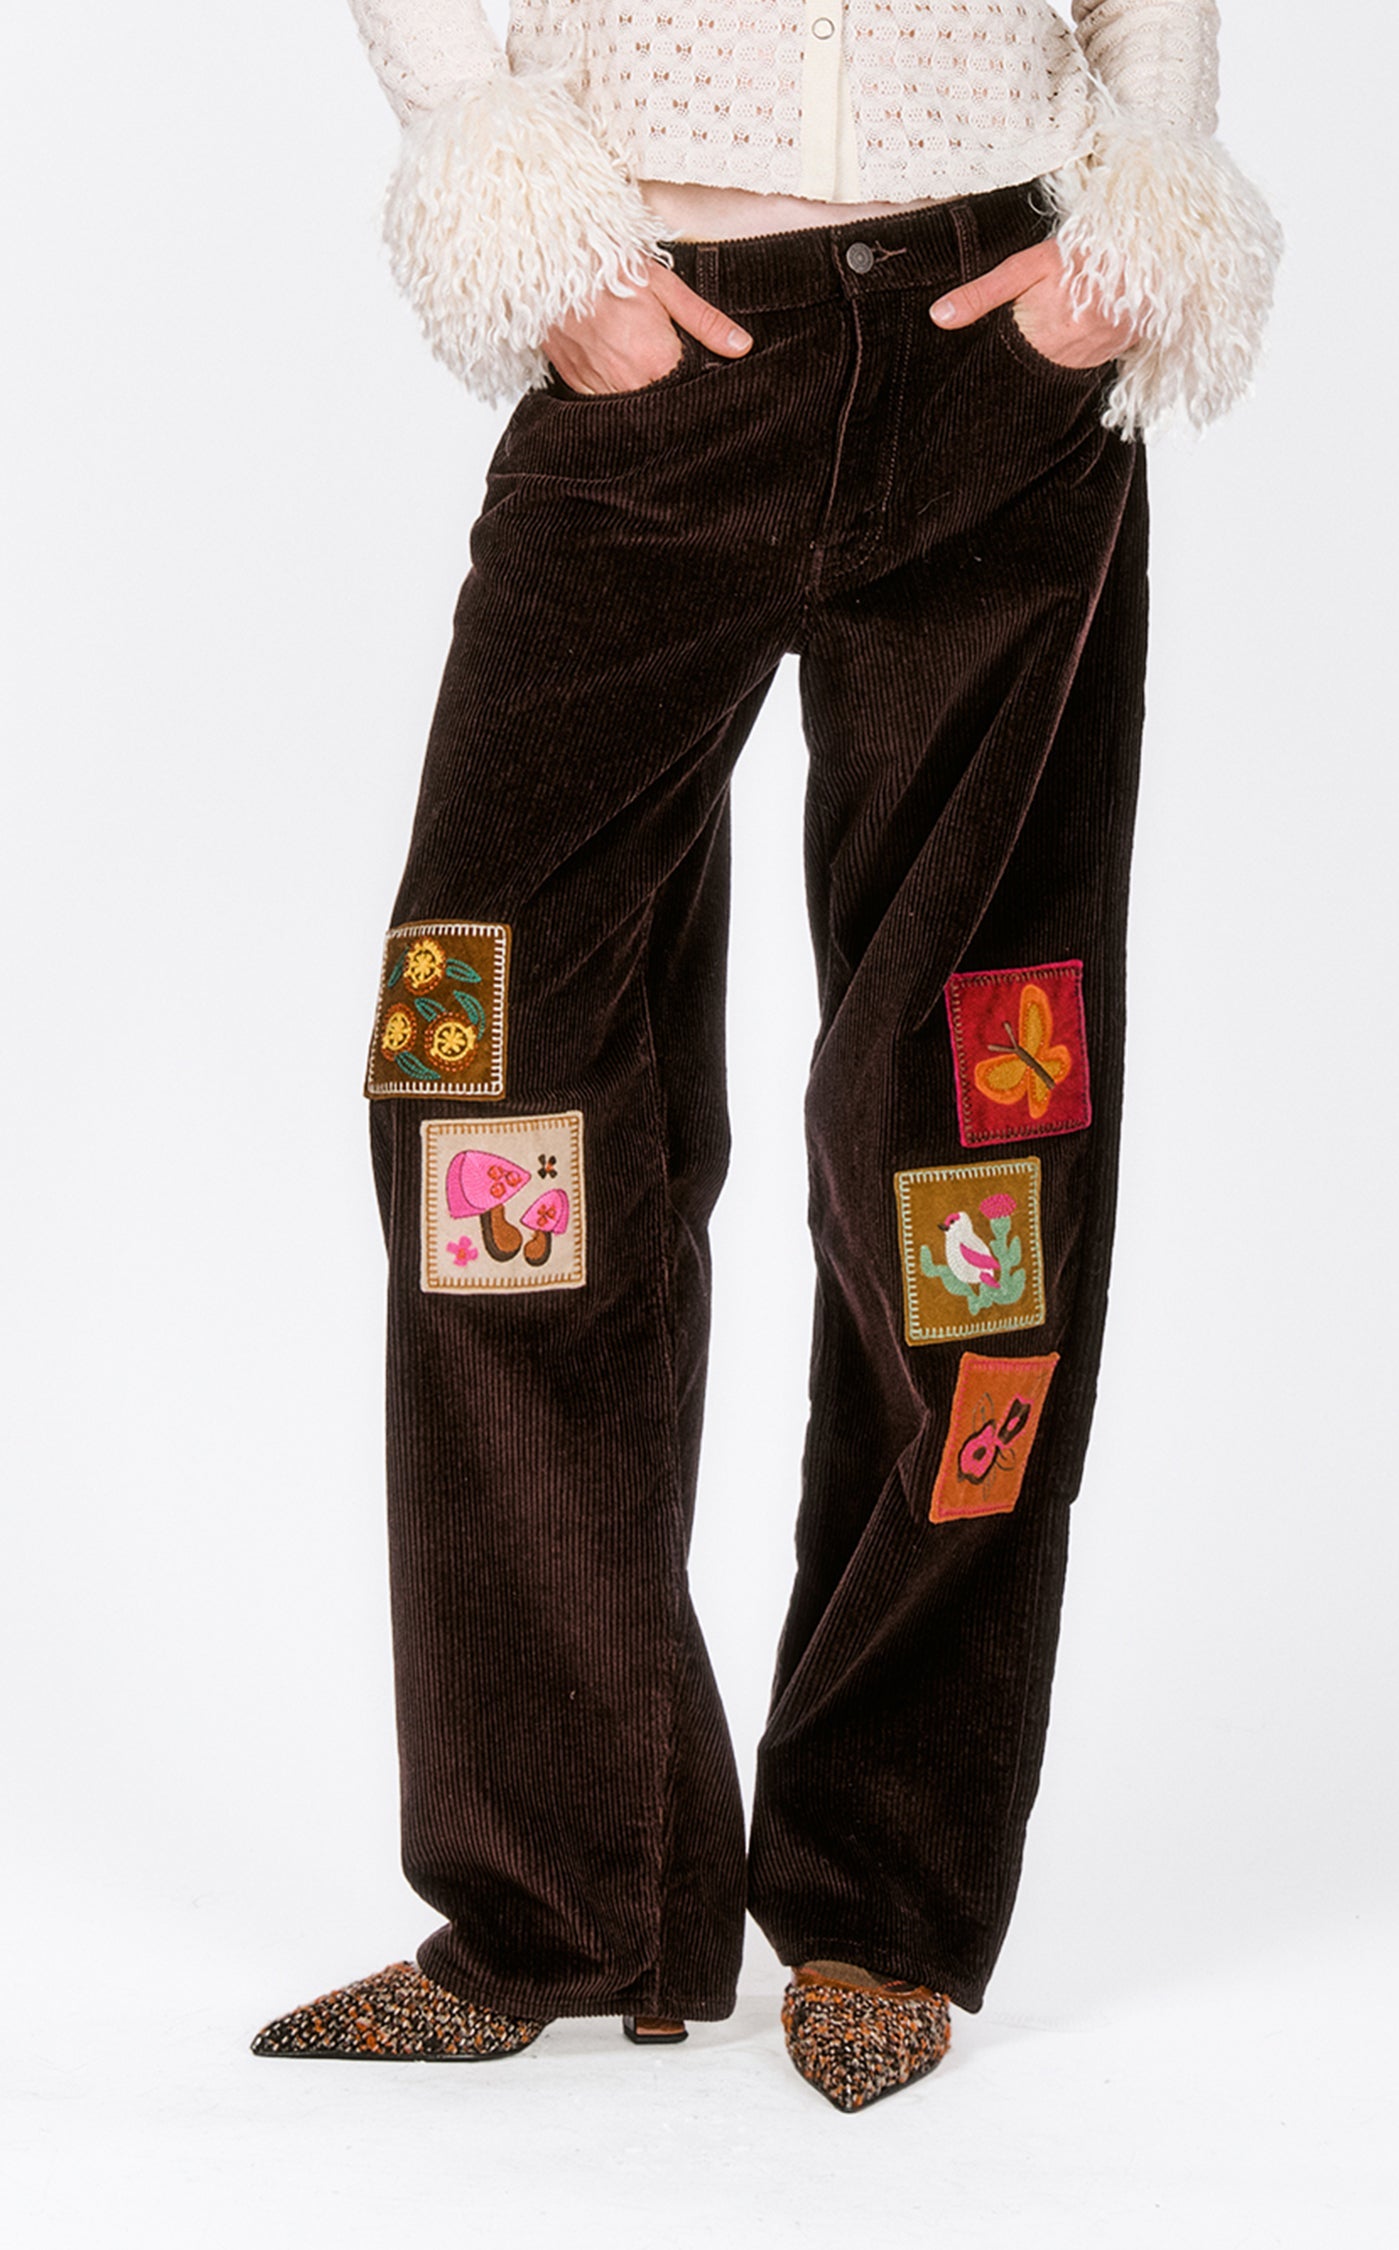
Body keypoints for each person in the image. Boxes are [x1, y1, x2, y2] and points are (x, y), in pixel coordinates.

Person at [251, 0, 1279, 2111]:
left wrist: (1130, 240)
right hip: (655, 362)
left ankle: (883, 1896)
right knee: (484, 1075)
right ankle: (576, 1888)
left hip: (1001, 362)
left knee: (975, 1135)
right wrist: (541, 232)